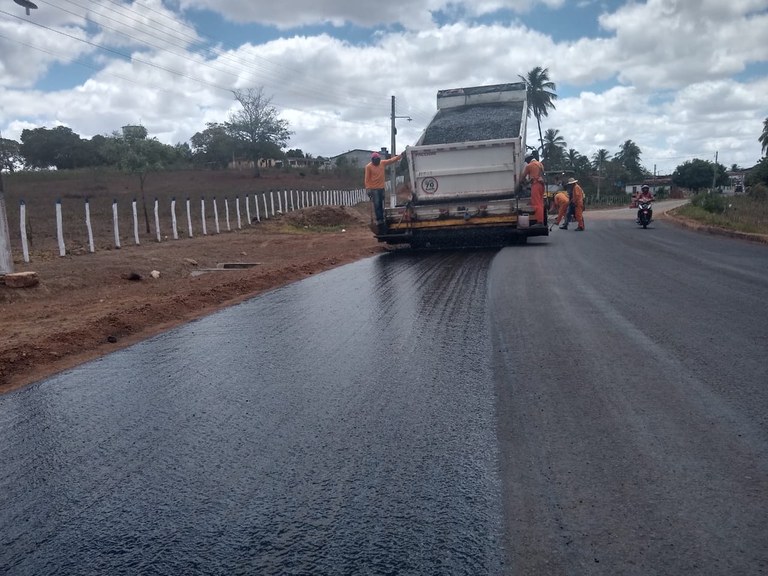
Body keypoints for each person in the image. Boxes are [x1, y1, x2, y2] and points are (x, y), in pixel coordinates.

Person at [365, 151, 402, 229]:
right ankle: (379, 220)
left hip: (381, 188)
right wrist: (368, 189)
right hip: (373, 189)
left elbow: (391, 160)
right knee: (377, 205)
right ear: (372, 160)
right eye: (375, 159)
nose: (376, 161)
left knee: (382, 204)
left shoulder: (382, 163)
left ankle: (383, 219)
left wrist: (399, 156)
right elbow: (367, 179)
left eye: (377, 159)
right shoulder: (368, 167)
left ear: (379, 159)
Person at [520, 150, 545, 224]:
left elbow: (522, 178)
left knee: (537, 204)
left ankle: (540, 222)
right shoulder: (540, 164)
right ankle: (541, 220)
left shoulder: (529, 166)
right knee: (540, 203)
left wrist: (522, 183)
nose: (526, 162)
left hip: (536, 185)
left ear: (528, 159)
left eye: (526, 160)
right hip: (541, 185)